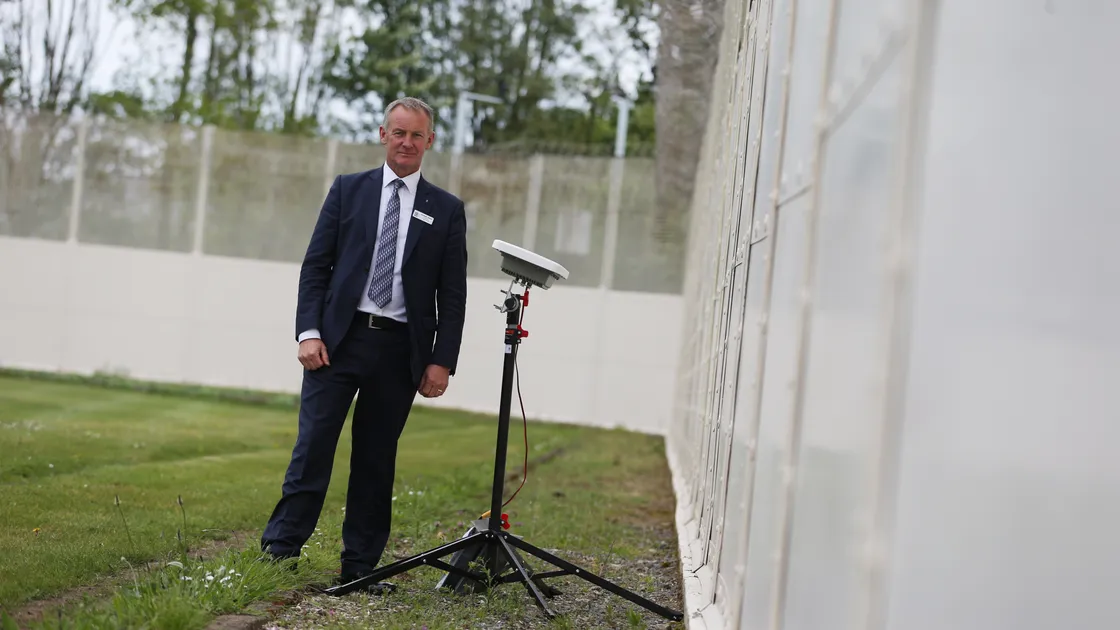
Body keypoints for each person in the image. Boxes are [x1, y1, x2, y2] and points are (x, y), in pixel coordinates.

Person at [259, 96, 468, 593]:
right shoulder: (348, 191)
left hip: (399, 354)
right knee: (312, 448)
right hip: (337, 342)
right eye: (399, 132)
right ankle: (280, 550)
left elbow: (453, 295)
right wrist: (308, 332)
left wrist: (441, 361)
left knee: (376, 459)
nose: (407, 142)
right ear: (382, 134)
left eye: (417, 135)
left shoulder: (446, 210)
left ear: (430, 141)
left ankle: (360, 567)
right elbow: (316, 268)